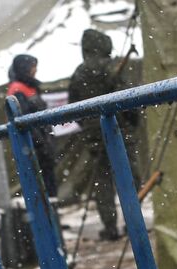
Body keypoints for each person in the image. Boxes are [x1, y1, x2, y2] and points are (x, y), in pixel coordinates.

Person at [69, 29, 126, 241]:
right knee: (128, 177)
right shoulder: (111, 67)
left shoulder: (79, 72)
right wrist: (130, 123)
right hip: (118, 130)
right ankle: (133, 222)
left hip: (94, 136)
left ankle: (110, 227)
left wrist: (89, 126)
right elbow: (127, 97)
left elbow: (72, 106)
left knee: (103, 182)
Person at [6, 53, 58, 198]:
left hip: (42, 146)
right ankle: (48, 217)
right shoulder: (18, 89)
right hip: (36, 149)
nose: (35, 70)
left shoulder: (29, 87)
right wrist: (42, 145)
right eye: (33, 67)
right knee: (44, 186)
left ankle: (52, 215)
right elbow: (24, 120)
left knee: (48, 184)